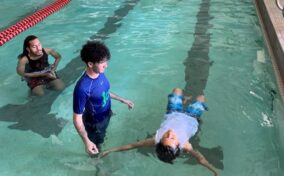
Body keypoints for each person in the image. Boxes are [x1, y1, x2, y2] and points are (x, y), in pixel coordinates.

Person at [101, 97, 218, 176]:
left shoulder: (155, 139)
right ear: (178, 145)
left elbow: (133, 145)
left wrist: (111, 150)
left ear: (159, 141)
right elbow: (200, 159)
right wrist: (214, 170)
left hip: (175, 114)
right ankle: (193, 100)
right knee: (200, 99)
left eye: (166, 136)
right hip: (191, 117)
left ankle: (185, 99)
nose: (170, 133)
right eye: (171, 138)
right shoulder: (186, 145)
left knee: (176, 98)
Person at [73, 41, 134, 156]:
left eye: (106, 61)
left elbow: (104, 93)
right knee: (96, 147)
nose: (106, 65)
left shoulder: (100, 73)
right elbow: (77, 118)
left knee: (102, 137)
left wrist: (123, 100)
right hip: (95, 123)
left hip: (106, 114)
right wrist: (86, 141)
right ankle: (99, 167)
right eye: (102, 62)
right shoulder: (82, 88)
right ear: (90, 64)